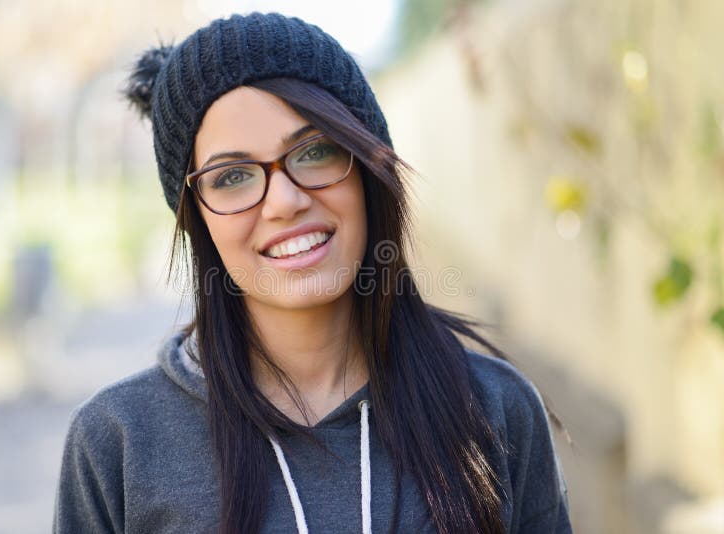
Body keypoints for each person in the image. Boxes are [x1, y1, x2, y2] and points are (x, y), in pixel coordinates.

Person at [52, 12, 573, 534]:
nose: (284, 201)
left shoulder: (495, 409)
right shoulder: (117, 444)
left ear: (367, 166)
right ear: (197, 216)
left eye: (315, 151)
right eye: (231, 176)